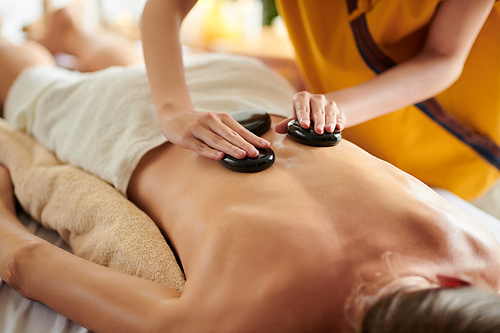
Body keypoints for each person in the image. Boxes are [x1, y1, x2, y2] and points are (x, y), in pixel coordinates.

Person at [1, 5, 500, 333]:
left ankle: (82, 37)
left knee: (79, 76)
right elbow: (21, 261)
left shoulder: (483, 263)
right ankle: (81, 43)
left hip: (254, 97)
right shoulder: (239, 319)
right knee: (30, 78)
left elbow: (23, 262)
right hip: (163, 122)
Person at [271, 0, 500, 217]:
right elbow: (314, 39)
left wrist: (337, 108)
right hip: (353, 153)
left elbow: (444, 55)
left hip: (454, 162)